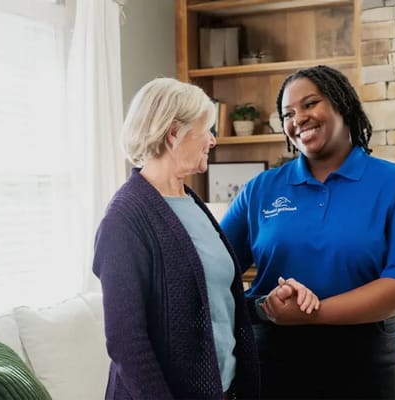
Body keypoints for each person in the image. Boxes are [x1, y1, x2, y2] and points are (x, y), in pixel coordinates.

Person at [220, 65, 395, 399]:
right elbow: (215, 268)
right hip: (272, 364)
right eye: (288, 113)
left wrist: (311, 313)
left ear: (343, 104)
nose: (299, 119)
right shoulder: (261, 189)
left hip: (365, 366)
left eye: (310, 104)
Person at [93, 78, 296, 399]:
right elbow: (125, 341)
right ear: (173, 133)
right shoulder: (125, 218)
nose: (212, 141)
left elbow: (208, 304)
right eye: (207, 130)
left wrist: (263, 308)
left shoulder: (190, 201)